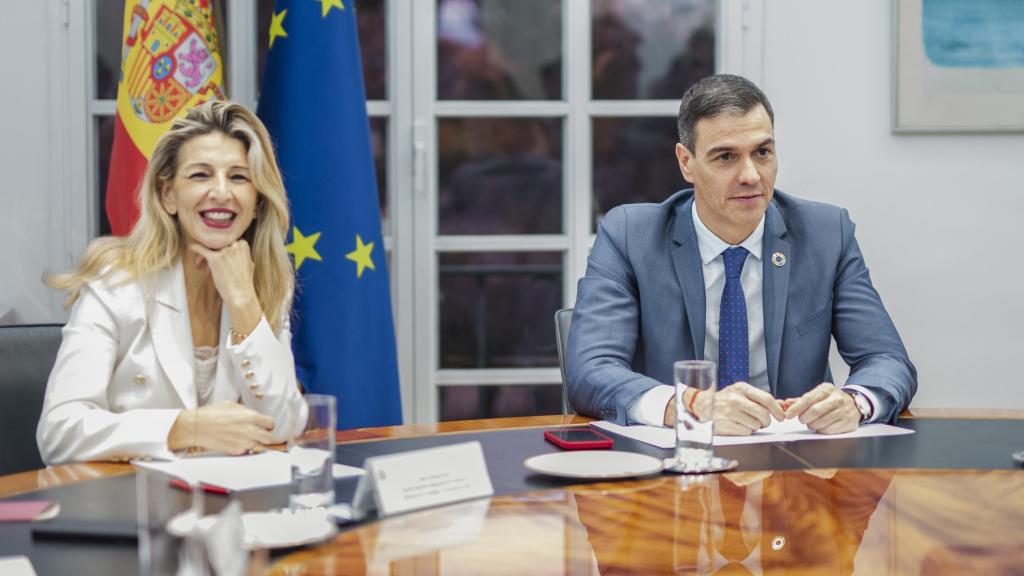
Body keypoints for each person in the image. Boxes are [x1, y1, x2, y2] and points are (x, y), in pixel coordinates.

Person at [567, 74, 916, 435]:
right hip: (675, 463)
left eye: (762, 152)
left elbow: (887, 360)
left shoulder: (826, 234)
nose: (750, 175)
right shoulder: (630, 236)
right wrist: (689, 407)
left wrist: (855, 402)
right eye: (726, 157)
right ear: (686, 162)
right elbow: (591, 369)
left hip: (795, 466)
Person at [37, 101, 307, 465]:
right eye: (200, 175)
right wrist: (186, 428)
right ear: (168, 196)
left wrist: (244, 303)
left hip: (229, 506)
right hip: (128, 502)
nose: (222, 193)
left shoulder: (269, 283)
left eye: (239, 177)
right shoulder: (117, 282)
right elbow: (58, 431)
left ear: (257, 201)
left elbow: (285, 424)